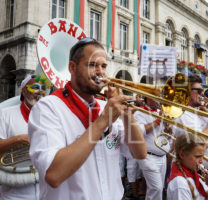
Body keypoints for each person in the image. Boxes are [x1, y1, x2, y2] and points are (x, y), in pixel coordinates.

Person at [28, 38, 147, 200]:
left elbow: (140, 153)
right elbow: (53, 175)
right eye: (92, 65)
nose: (100, 72)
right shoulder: (47, 108)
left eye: (103, 66)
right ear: (72, 67)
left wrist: (126, 114)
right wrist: (104, 120)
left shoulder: (105, 107)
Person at [0, 74, 47, 200]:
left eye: (43, 88)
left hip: (45, 192)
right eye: (35, 87)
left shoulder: (51, 117)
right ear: (24, 90)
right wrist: (19, 139)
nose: (40, 92)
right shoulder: (5, 114)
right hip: (14, 193)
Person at [172, 75, 208, 175]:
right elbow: (202, 143)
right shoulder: (182, 114)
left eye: (202, 90)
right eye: (198, 91)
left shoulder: (202, 111)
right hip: (195, 170)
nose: (202, 93)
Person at [167, 133, 208, 200]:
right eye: (198, 156)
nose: (202, 161)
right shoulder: (180, 184)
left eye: (202, 156)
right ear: (182, 154)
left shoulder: (192, 173)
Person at [134, 96, 170, 200]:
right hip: (149, 156)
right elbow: (139, 132)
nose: (160, 100)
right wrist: (158, 120)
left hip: (162, 156)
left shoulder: (160, 111)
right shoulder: (139, 113)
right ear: (149, 99)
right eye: (156, 98)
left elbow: (162, 134)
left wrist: (168, 130)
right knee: (156, 188)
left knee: (158, 189)